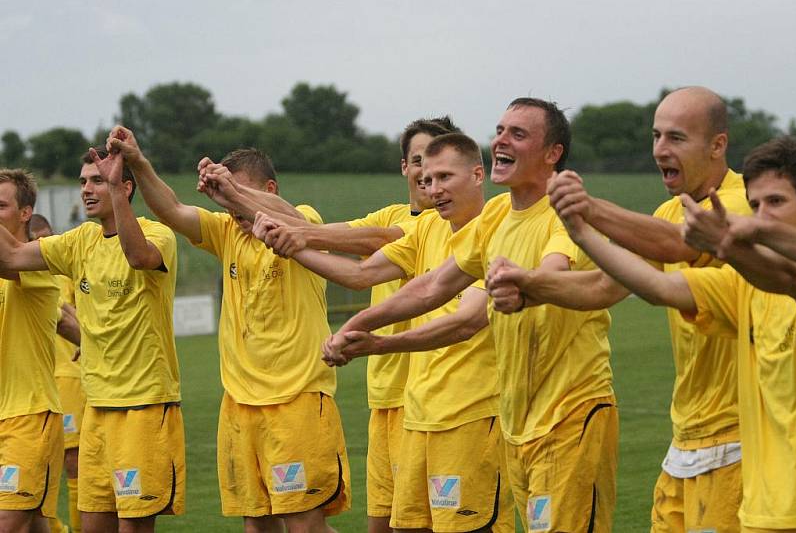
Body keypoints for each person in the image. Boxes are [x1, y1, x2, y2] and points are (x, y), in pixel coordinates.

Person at [322, 100, 617, 533]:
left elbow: (552, 273)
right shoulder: (498, 214)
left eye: (518, 133)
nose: (500, 140)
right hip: (520, 419)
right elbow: (434, 285)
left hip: (570, 411)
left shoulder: (564, 211)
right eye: (499, 130)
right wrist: (358, 325)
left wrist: (524, 283)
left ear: (553, 153)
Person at [489, 86, 750, 532]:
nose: (660, 150)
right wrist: (530, 287)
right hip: (686, 434)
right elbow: (604, 286)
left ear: (717, 145)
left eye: (676, 138)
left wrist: (588, 209)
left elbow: (679, 245)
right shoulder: (669, 210)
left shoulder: (740, 204)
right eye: (656, 136)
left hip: (740, 437)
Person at [254, 132, 513, 533]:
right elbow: (367, 275)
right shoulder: (426, 229)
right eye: (427, 179)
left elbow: (468, 320)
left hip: (473, 414)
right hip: (420, 414)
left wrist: (377, 343)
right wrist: (294, 251)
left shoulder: (498, 228)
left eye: (444, 177)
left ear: (479, 174)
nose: (433, 189)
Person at [105, 125, 350, 533]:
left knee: (305, 525)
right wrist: (139, 162)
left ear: (270, 188)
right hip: (239, 404)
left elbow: (292, 221)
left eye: (240, 192)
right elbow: (171, 209)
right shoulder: (227, 232)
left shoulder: (303, 219)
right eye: (224, 195)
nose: (231, 206)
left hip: (298, 399)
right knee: (256, 525)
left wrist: (232, 194)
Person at [555, 135, 796, 533]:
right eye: (755, 206)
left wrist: (735, 236)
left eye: (776, 202)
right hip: (765, 509)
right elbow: (659, 288)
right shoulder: (744, 287)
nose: (760, 217)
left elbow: (791, 275)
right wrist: (583, 234)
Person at [0, 146, 184, 533]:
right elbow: (13, 256)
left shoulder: (158, 235)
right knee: (92, 527)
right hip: (97, 408)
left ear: (126, 186)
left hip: (144, 405)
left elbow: (138, 258)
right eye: (84, 181)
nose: (86, 188)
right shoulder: (80, 240)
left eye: (98, 180)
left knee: (133, 527)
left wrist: (115, 191)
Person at [0, 169, 63, 533]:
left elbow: (9, 259)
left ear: (26, 213)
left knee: (9, 523)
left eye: (1, 205)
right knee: (37, 524)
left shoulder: (39, 261)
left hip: (29, 416)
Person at [30, 213, 85, 533]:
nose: (44, 247)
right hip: (31, 382)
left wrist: (88, 339)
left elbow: (78, 315)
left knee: (74, 461)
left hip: (68, 377)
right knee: (33, 473)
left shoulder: (64, 274)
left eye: (48, 239)